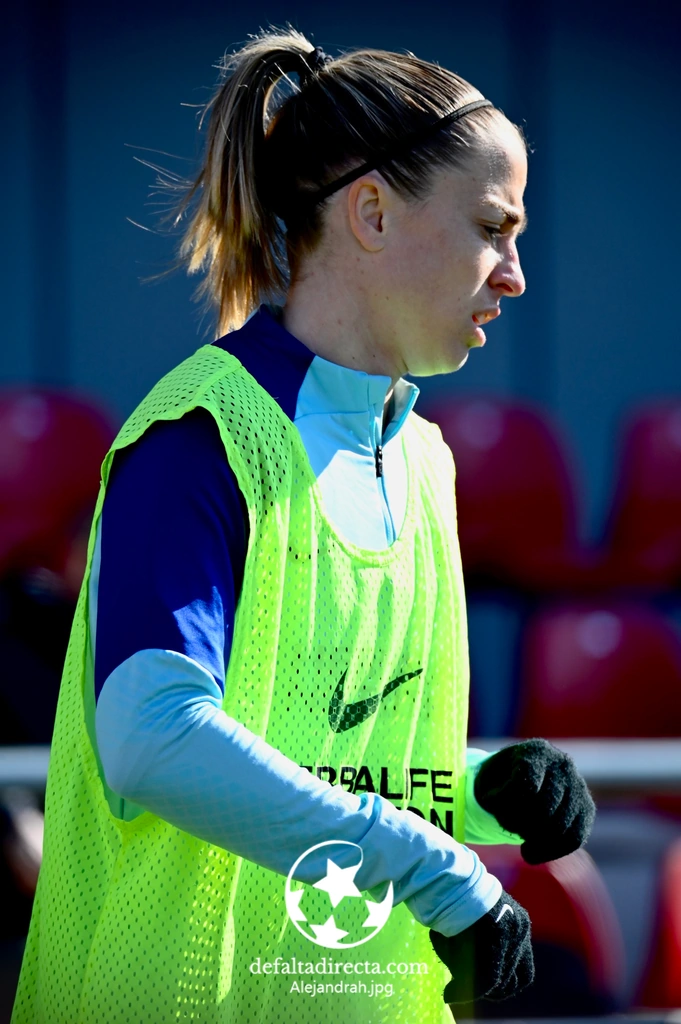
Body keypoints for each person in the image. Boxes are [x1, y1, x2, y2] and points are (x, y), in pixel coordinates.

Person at [11, 28, 595, 1024]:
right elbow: (153, 738)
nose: (514, 274)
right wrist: (431, 865)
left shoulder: (425, 461)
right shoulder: (197, 436)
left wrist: (483, 788)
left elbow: (323, 767)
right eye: (493, 227)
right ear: (370, 212)